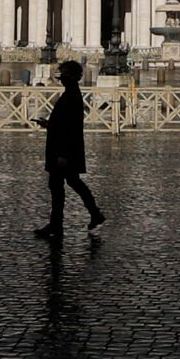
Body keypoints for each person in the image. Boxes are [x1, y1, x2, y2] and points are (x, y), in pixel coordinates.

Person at [32, 61, 105, 242]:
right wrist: (49, 124)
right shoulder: (71, 94)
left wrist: (63, 154)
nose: (61, 77)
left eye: (64, 73)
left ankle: (60, 223)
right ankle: (91, 215)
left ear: (71, 76)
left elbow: (70, 127)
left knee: (60, 187)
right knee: (70, 183)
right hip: (65, 148)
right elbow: (63, 123)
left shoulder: (71, 96)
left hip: (64, 150)